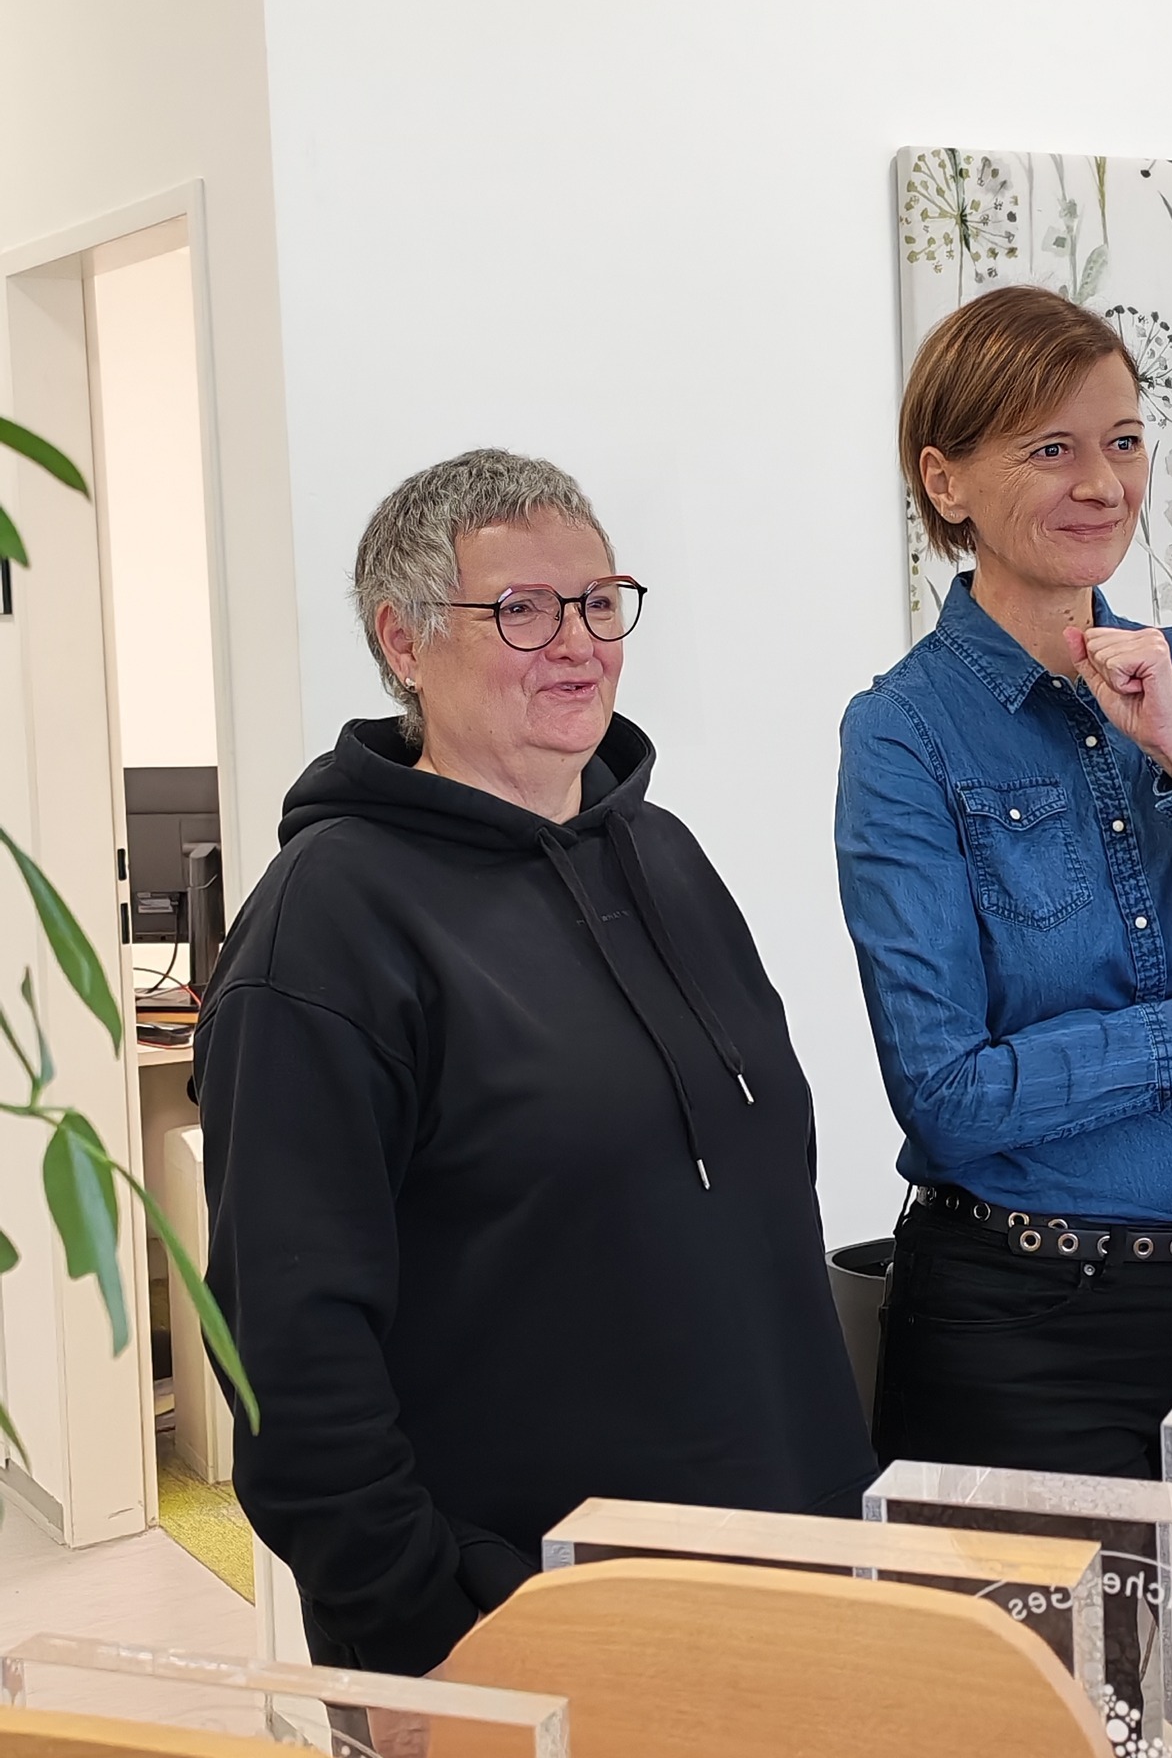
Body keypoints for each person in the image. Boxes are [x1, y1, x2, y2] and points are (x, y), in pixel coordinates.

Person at [198, 448, 874, 1677]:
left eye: (600, 602)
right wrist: (436, 1635)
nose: (579, 643)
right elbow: (288, 1363)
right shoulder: (328, 925)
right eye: (521, 609)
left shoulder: (664, 853)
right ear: (402, 641)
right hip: (529, 1631)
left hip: (788, 1577)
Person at [835, 285, 1172, 1485]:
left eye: (1125, 440)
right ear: (946, 481)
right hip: (1018, 1329)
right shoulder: (903, 735)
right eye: (1052, 448)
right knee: (1030, 1629)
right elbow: (949, 1095)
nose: (1103, 483)